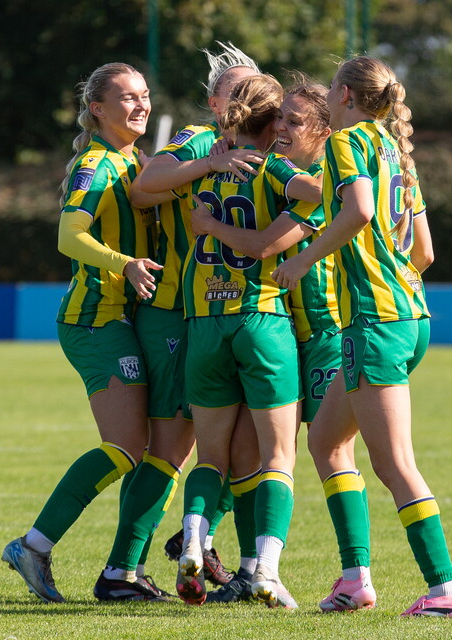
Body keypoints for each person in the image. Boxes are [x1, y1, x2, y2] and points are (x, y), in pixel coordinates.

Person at [272, 55, 452, 618]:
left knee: (394, 465)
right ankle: (354, 580)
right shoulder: (395, 151)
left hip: (376, 323)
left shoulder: (345, 143)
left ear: (347, 97)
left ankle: (445, 590)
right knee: (327, 444)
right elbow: (425, 252)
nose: (327, 99)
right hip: (410, 316)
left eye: (332, 90)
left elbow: (357, 211)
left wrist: (303, 259)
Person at [1, 62, 179, 603]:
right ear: (98, 109)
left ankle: (125, 570)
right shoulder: (96, 165)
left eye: (145, 95)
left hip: (129, 321)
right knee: (126, 447)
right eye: (126, 98)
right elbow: (68, 234)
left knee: (151, 450)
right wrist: (123, 262)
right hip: (95, 320)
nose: (141, 105)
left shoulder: (137, 162)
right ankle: (33, 545)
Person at [185, 76, 337, 603]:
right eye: (285, 120)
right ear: (271, 123)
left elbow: (147, 185)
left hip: (203, 322)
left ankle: (195, 541)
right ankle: (267, 568)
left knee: (213, 458)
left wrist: (206, 217)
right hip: (263, 317)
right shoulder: (275, 168)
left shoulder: (205, 172)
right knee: (280, 457)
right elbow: (321, 196)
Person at [131, 41, 265, 593]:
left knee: (251, 441)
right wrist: (208, 163)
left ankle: (203, 537)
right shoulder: (199, 138)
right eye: (233, 93)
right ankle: (126, 566)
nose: (243, 102)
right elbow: (144, 187)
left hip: (256, 314)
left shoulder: (272, 143)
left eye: (251, 91)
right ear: (213, 103)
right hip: (195, 315)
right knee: (185, 447)